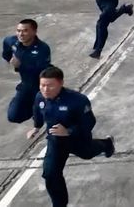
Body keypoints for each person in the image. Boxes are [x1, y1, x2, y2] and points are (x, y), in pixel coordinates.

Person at [29, 66, 115, 207]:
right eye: (42, 85)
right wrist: (36, 127)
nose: (45, 89)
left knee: (87, 154)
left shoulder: (78, 100)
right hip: (56, 141)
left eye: (50, 86)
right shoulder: (40, 97)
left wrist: (68, 131)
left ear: (61, 83)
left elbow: (89, 122)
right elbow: (37, 111)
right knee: (50, 174)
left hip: (78, 139)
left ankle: (106, 144)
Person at [2, 19, 51, 123]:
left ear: (34, 32)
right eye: (18, 31)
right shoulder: (12, 41)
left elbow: (41, 71)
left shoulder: (42, 49)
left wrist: (21, 65)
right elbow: (6, 48)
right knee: (13, 116)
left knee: (47, 117)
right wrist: (9, 59)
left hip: (41, 85)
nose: (21, 34)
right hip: (26, 83)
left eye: (25, 31)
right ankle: (32, 108)